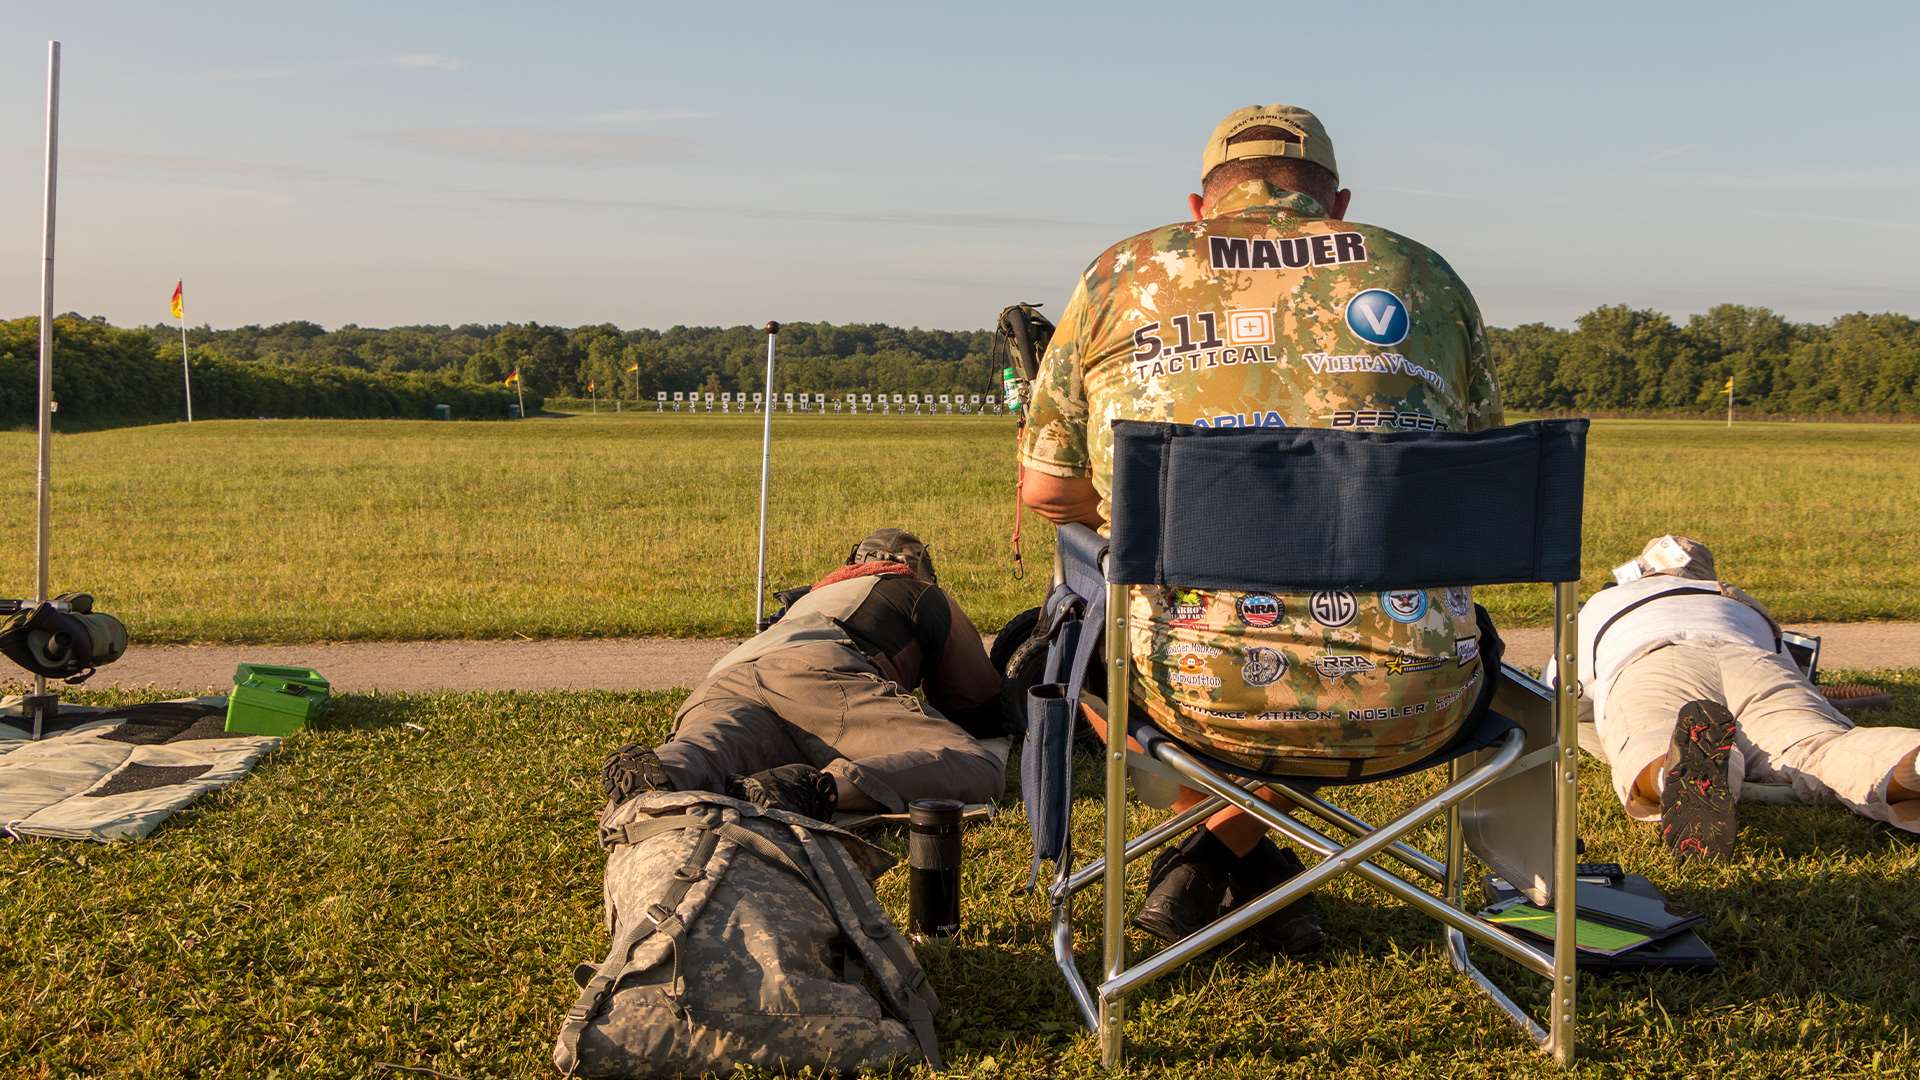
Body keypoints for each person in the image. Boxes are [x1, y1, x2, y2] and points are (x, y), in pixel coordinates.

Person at [1019, 104, 1504, 952]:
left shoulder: (1124, 273)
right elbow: (1478, 480)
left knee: (1071, 635)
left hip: (1184, 686)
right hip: (1419, 688)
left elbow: (1047, 490)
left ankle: (1214, 855)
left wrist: (1158, 518)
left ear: (1202, 205)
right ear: (1338, 203)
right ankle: (1259, 872)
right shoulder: (1423, 275)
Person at [601, 529, 1013, 820]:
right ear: (921, 569)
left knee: (711, 747)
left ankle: (668, 768)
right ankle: (814, 789)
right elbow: (977, 703)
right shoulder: (919, 592)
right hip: (820, 671)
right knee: (975, 764)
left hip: (730, 674)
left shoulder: (812, 596)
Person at [1572, 535, 1920, 860]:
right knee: (1818, 745)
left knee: (1655, 736)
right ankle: (1907, 763)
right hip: (1752, 660)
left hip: (1653, 660)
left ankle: (1675, 776)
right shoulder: (1734, 598)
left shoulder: (1603, 602)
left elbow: (1561, 696)